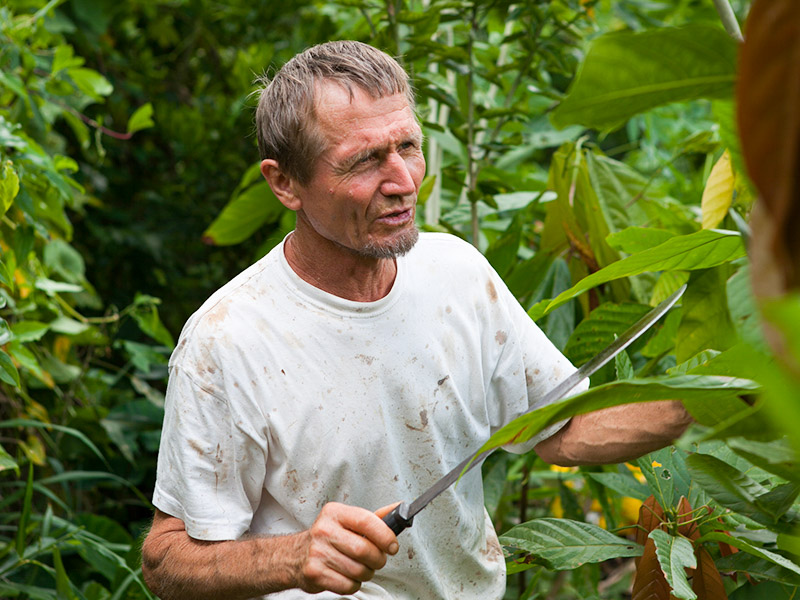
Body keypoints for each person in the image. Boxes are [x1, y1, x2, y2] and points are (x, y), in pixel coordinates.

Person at [141, 41, 692, 600]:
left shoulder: (455, 272)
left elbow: (563, 430)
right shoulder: (227, 340)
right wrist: (293, 557)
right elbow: (167, 560)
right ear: (285, 183)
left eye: (408, 146)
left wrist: (725, 398)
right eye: (364, 160)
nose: (403, 181)